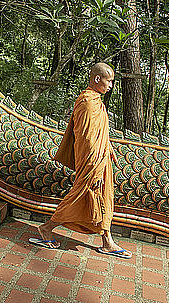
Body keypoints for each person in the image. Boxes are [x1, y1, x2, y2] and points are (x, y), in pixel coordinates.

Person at [29, 62, 131, 258]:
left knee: (103, 198)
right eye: (109, 81)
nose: (111, 85)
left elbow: (100, 133)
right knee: (79, 197)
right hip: (92, 162)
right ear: (97, 79)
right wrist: (96, 165)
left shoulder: (97, 101)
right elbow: (85, 136)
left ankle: (107, 241)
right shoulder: (86, 102)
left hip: (101, 159)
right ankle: (47, 228)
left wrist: (108, 148)